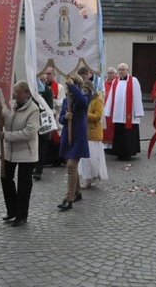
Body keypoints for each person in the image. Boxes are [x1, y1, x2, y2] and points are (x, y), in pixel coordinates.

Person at [0, 80, 40, 227]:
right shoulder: (11, 105)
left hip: (27, 152)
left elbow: (30, 132)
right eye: (15, 92)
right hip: (10, 151)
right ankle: (12, 210)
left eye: (19, 92)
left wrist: (7, 136)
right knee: (5, 178)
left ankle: (21, 215)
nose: (16, 95)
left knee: (24, 185)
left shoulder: (33, 109)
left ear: (27, 93)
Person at [57, 75, 90, 210]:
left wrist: (72, 85)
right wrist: (65, 117)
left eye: (73, 85)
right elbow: (60, 119)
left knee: (71, 166)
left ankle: (68, 198)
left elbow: (82, 102)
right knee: (71, 165)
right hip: (68, 136)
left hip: (78, 137)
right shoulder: (66, 100)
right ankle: (76, 191)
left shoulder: (84, 97)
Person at [104, 63, 144, 160]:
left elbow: (137, 96)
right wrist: (107, 110)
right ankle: (119, 152)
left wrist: (138, 111)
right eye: (119, 70)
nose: (121, 71)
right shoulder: (115, 81)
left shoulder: (133, 81)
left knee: (128, 134)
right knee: (119, 132)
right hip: (118, 112)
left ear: (127, 70)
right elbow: (110, 97)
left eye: (123, 69)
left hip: (130, 113)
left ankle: (128, 152)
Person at [79, 81, 109, 189]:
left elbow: (97, 117)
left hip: (93, 132)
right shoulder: (85, 100)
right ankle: (87, 179)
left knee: (93, 158)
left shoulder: (97, 101)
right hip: (84, 132)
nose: (84, 92)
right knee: (85, 159)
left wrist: (84, 114)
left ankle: (97, 176)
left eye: (86, 90)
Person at [32, 75, 54, 181]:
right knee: (35, 147)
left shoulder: (47, 91)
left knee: (42, 147)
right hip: (33, 121)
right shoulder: (32, 90)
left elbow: (49, 106)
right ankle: (34, 167)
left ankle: (38, 170)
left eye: (43, 80)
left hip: (43, 121)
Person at [43, 67, 65, 166]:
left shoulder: (59, 87)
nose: (47, 76)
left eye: (49, 74)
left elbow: (61, 102)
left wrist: (52, 99)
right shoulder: (41, 86)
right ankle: (46, 160)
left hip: (55, 115)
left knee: (56, 138)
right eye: (46, 73)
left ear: (54, 75)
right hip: (44, 116)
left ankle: (57, 161)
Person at [102, 67, 118, 151]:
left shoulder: (118, 83)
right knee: (106, 126)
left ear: (115, 74)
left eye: (112, 73)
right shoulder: (103, 84)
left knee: (114, 127)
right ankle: (105, 145)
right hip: (105, 108)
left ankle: (113, 144)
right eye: (108, 73)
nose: (110, 75)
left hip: (115, 109)